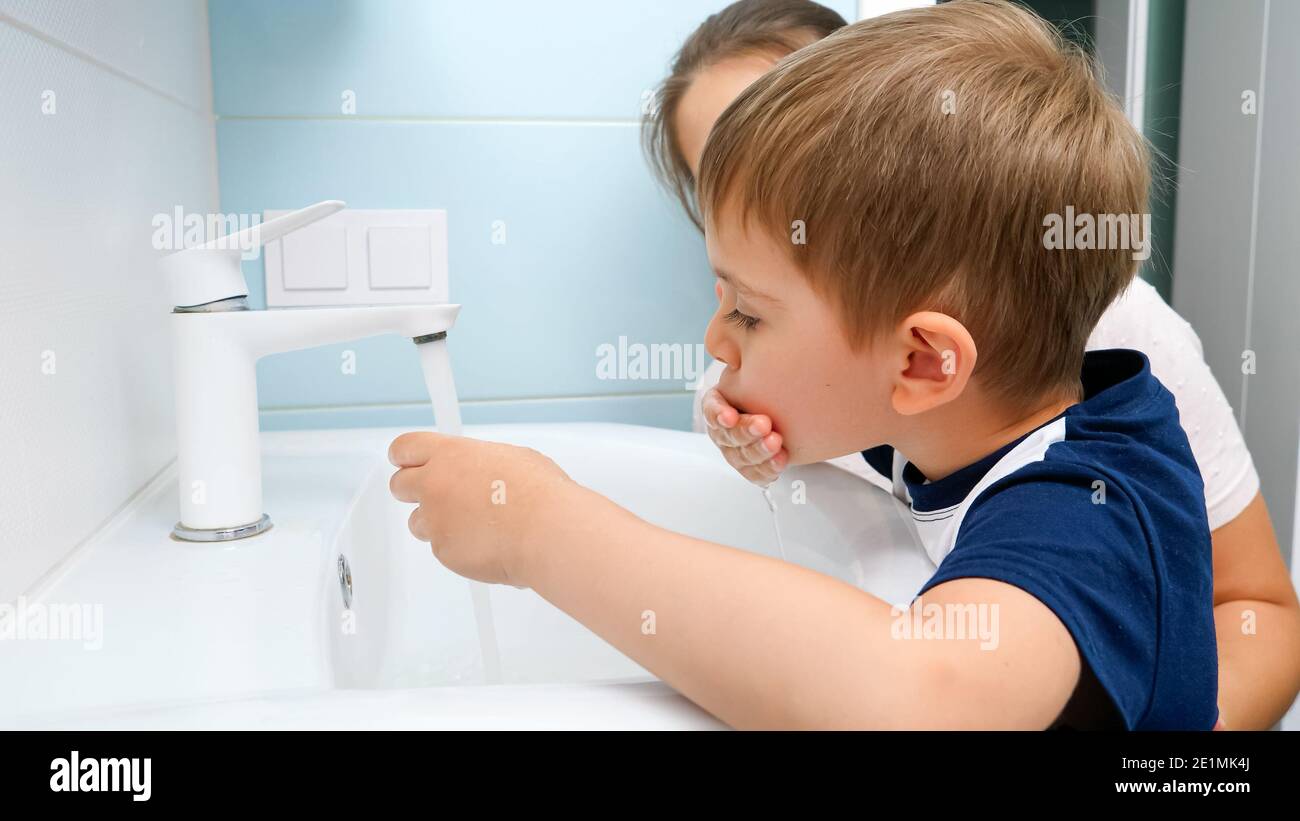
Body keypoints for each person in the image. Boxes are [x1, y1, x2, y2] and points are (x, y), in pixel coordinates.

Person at [387, 0, 1297, 729]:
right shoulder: (1012, 409)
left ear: (925, 360)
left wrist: (543, 530)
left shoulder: (1085, 507)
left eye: (747, 307)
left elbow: (917, 693)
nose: (714, 342)